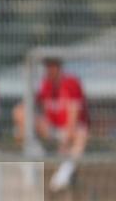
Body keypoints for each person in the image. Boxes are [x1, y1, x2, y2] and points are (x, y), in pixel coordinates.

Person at [14, 57, 89, 192]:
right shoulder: (45, 85)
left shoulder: (71, 84)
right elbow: (27, 107)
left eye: (52, 67)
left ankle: (64, 172)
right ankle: (36, 153)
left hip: (67, 131)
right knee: (19, 114)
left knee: (81, 133)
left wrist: (65, 141)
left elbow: (73, 117)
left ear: (59, 68)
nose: (49, 70)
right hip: (51, 129)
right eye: (47, 67)